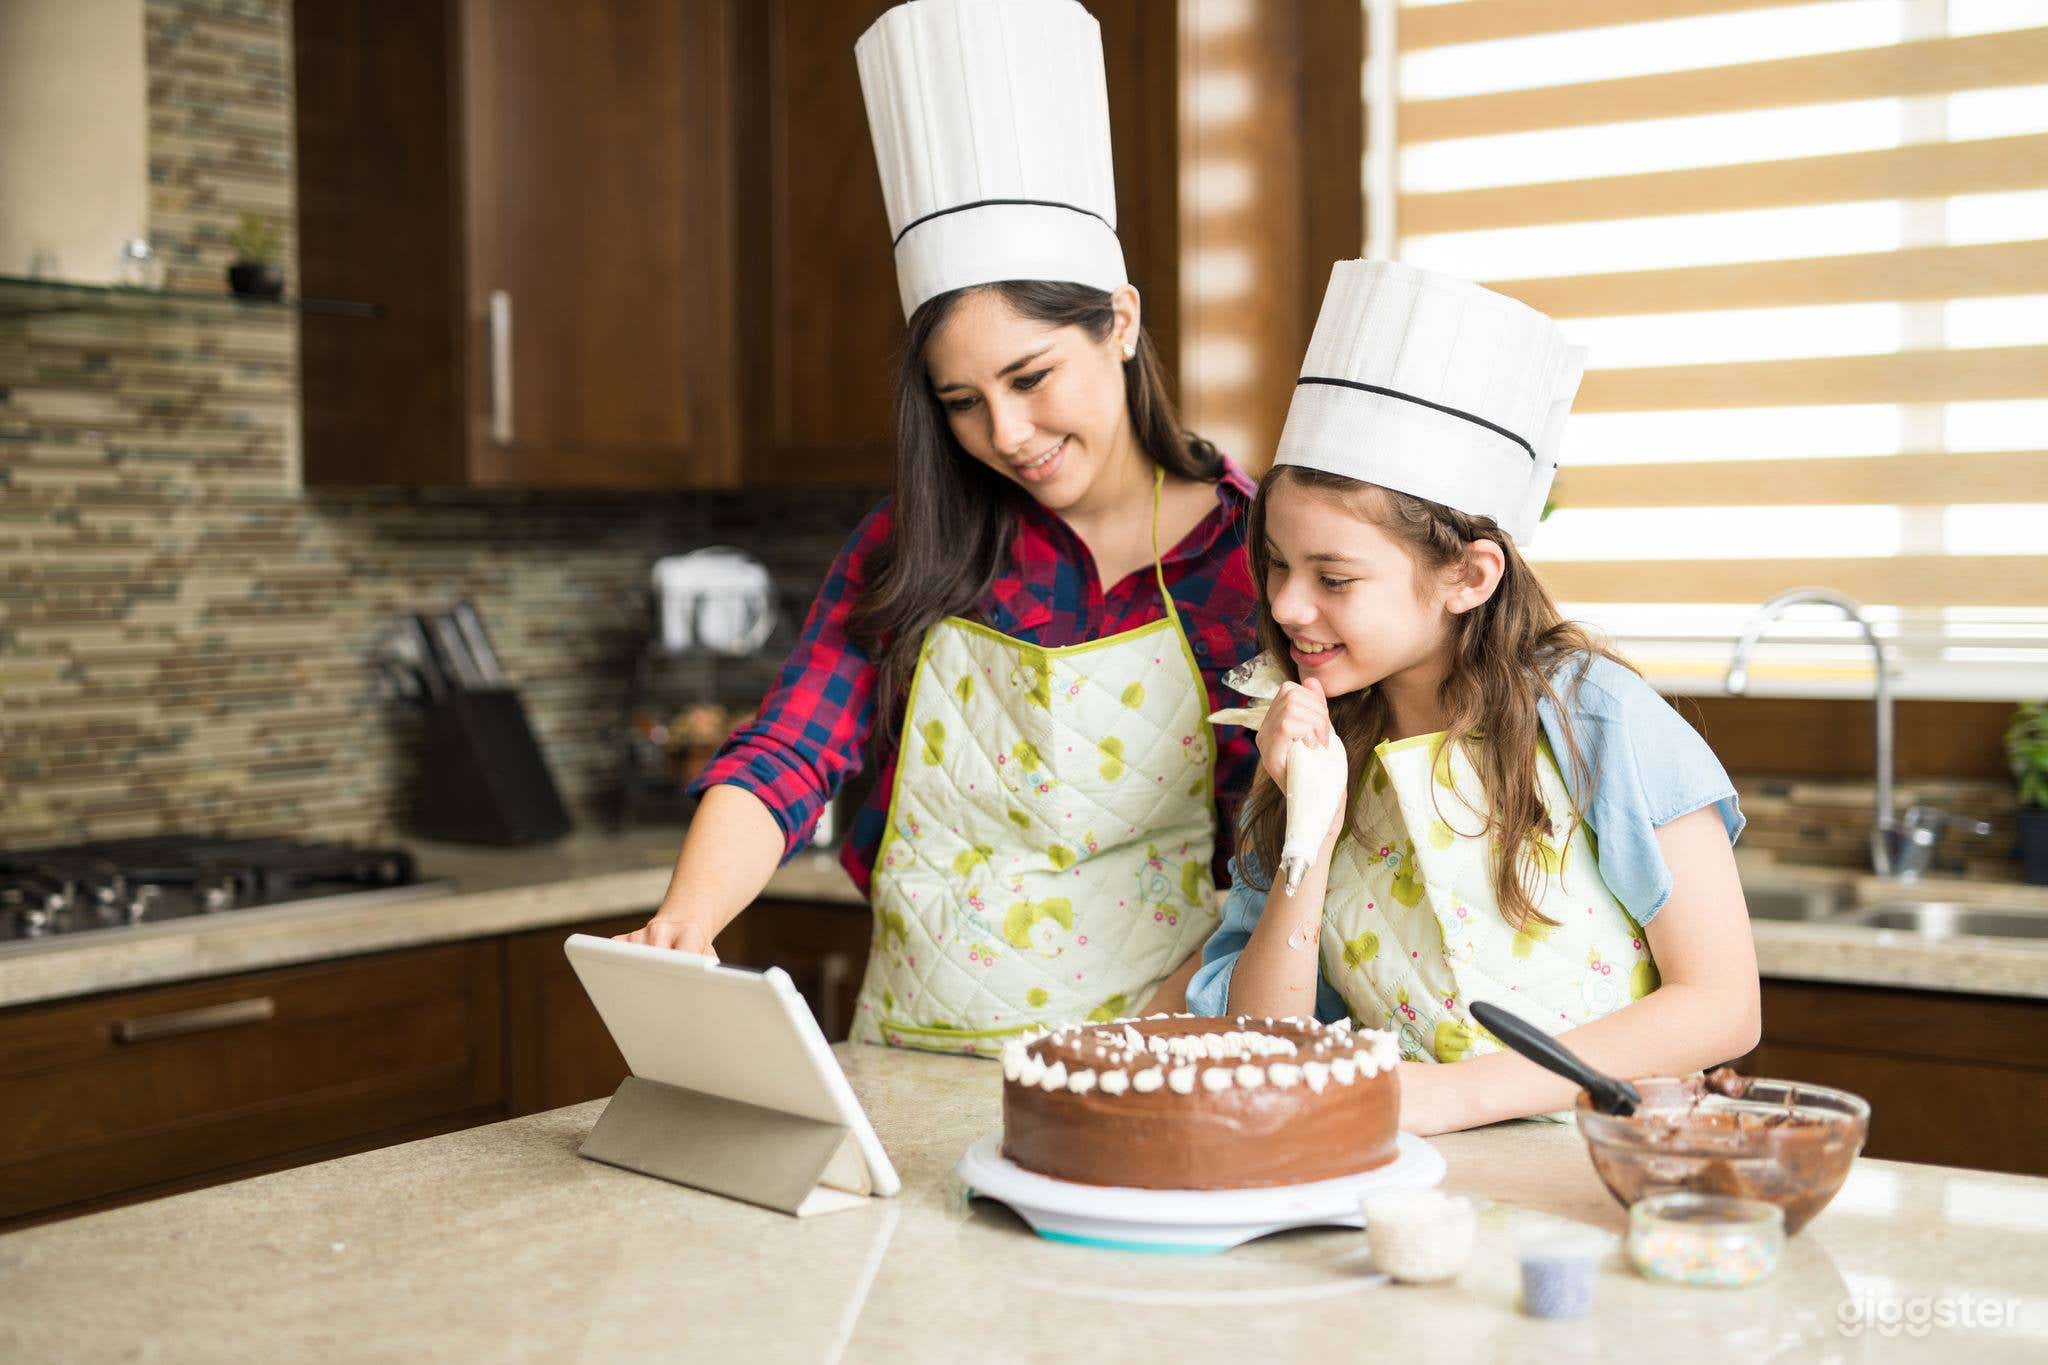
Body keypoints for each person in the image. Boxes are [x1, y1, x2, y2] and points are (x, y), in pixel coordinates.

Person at [621, 0, 1260, 1054]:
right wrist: (686, 924)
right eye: (959, 401)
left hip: (1155, 1057)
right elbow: (789, 749)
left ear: (1121, 321)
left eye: (1029, 377)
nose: (1006, 434)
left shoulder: (1247, 562)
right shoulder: (914, 542)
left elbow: (1264, 856)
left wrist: (1148, 1038)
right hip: (914, 1045)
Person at [1189, 260, 1761, 1133]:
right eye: (1275, 562)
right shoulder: (1307, 739)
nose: (1286, 606)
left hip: (1604, 1169)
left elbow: (1722, 1005)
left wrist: (1456, 1097)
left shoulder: (1597, 718)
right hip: (1400, 1179)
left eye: (1334, 576)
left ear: (1468, 573)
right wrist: (1309, 825)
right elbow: (1263, 1046)